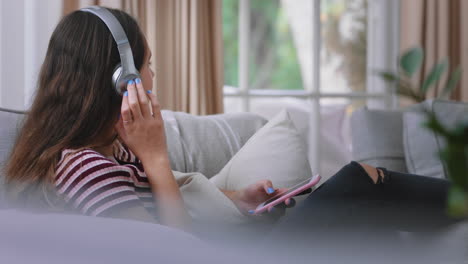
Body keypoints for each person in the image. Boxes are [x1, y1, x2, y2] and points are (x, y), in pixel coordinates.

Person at [4, 7, 458, 235]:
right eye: (146, 67)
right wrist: (156, 157)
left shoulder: (112, 151)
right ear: (120, 79)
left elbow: (161, 209)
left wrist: (238, 200)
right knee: (359, 181)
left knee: (359, 197)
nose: (152, 78)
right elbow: (162, 254)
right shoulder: (84, 168)